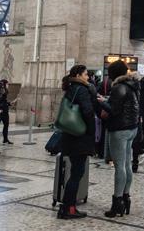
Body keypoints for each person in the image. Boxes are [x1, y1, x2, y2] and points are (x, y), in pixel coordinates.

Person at [101, 60, 140, 218]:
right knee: (126, 164)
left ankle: (117, 203)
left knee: (119, 166)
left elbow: (113, 110)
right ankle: (126, 197)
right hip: (132, 128)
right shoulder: (134, 85)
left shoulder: (118, 88)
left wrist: (102, 102)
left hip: (119, 129)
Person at [57, 65, 96, 220]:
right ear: (79, 75)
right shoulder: (83, 90)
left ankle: (67, 206)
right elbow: (87, 111)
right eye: (86, 74)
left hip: (69, 135)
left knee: (74, 172)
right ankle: (68, 208)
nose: (88, 77)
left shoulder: (70, 88)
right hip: (80, 136)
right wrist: (92, 131)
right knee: (76, 174)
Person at [0, 79, 15, 144]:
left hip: (3, 110)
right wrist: (2, 108)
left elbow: (2, 101)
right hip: (2, 111)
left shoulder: (0, 91)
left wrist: (8, 103)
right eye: (7, 84)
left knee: (5, 125)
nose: (8, 85)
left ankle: (5, 139)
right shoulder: (3, 91)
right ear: (4, 84)